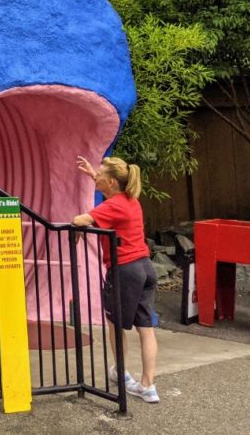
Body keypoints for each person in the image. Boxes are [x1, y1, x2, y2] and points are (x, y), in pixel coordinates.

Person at [73, 155, 160, 404]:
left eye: (99, 175)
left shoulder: (113, 206)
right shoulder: (130, 199)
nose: (96, 177)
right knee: (146, 329)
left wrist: (76, 226)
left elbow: (82, 219)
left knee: (116, 324)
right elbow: (110, 193)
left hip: (125, 270)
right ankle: (148, 385)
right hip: (145, 267)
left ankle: (121, 374)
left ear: (111, 182)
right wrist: (93, 174)